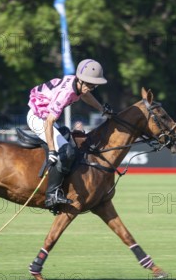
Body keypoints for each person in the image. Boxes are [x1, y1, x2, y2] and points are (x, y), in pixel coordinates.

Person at [27, 59, 112, 208]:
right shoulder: (66, 94)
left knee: (70, 141)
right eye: (88, 84)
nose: (90, 88)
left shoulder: (79, 86)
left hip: (44, 115)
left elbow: (85, 95)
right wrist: (52, 150)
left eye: (93, 85)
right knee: (66, 151)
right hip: (38, 118)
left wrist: (102, 109)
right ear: (79, 80)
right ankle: (51, 195)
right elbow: (49, 122)